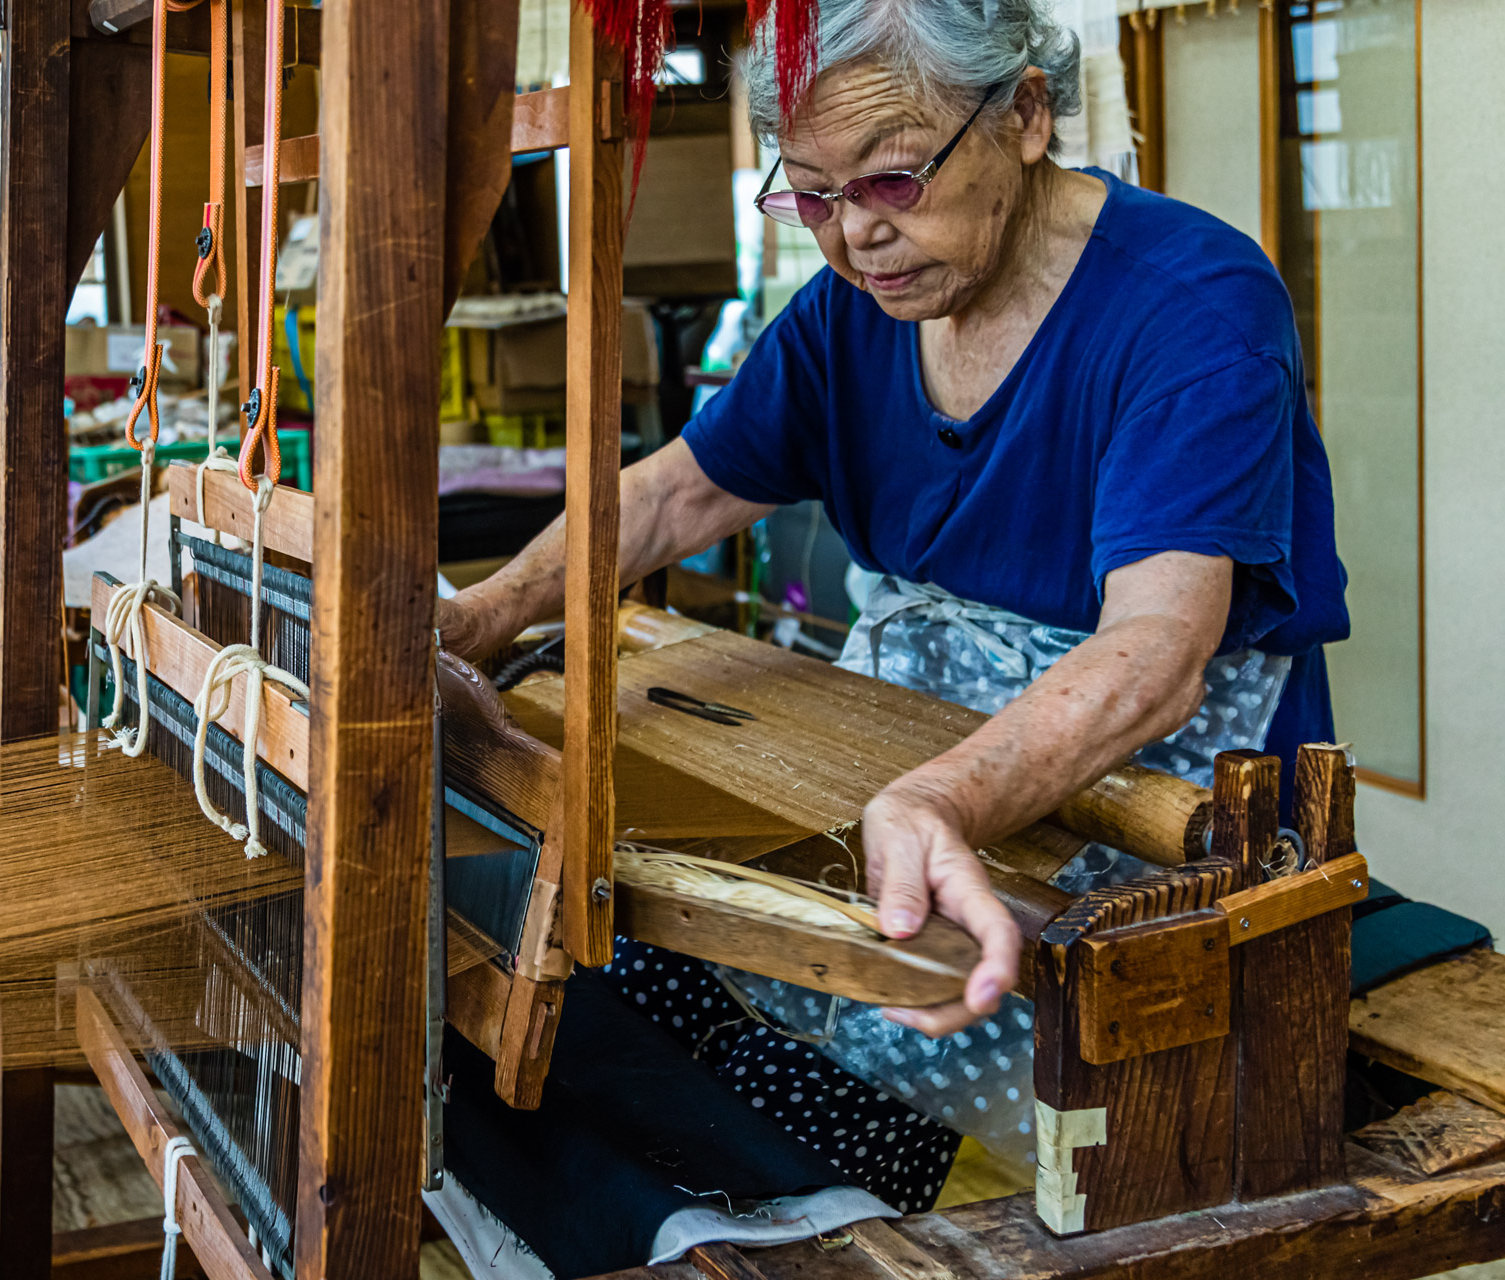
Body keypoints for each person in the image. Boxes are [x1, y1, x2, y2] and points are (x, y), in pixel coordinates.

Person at [438, 0, 1347, 1211]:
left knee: (1122, 1170)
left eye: (893, 178)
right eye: (810, 196)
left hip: (1157, 820)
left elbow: (1158, 647)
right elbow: (679, 493)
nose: (856, 234)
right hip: (921, 796)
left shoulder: (1194, 303)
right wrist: (486, 614)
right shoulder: (850, 314)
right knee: (632, 1051)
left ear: (1026, 114)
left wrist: (941, 796)